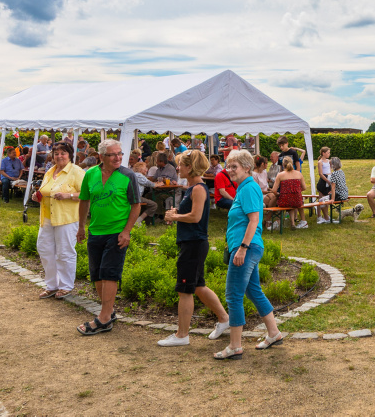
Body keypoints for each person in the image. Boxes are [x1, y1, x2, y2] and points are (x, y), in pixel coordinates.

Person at [158, 150, 232, 347]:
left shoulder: (198, 188)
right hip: (192, 242)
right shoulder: (192, 188)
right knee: (198, 286)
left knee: (185, 289)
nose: (178, 168)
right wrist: (177, 213)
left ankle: (182, 335)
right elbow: (190, 213)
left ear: (190, 167)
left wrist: (175, 217)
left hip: (193, 243)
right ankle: (225, 319)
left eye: (181, 165)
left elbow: (196, 217)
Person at [215, 150, 285, 358]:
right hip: (246, 247)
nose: (229, 170)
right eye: (228, 166)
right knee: (253, 290)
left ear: (247, 167)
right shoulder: (244, 188)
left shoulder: (248, 188)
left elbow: (254, 220)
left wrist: (242, 249)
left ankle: (235, 346)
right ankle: (274, 333)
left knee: (233, 295)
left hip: (246, 248)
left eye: (234, 166)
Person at [75, 139, 141, 336]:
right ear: (101, 157)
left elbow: (136, 205)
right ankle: (109, 312)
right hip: (96, 231)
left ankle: (103, 319)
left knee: (109, 273)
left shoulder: (128, 175)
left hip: (117, 232)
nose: (118, 157)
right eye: (113, 154)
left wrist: (126, 231)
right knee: (96, 275)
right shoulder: (90, 174)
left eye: (120, 153)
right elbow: (84, 200)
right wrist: (81, 227)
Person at [33, 142, 86, 300]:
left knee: (65, 252)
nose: (59, 156)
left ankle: (65, 286)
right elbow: (45, 190)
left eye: (63, 153)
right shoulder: (50, 171)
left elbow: (86, 194)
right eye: (56, 153)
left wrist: (68, 195)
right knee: (45, 249)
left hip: (66, 218)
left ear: (70, 155)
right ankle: (52, 285)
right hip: (48, 216)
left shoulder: (76, 171)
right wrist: (37, 196)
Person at [272, 156, 306, 230]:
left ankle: (278, 222)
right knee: (292, 202)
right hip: (297, 200)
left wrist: (278, 194)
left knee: (283, 201)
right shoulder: (298, 174)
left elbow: (274, 190)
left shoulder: (280, 175)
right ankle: (292, 223)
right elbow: (304, 187)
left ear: (283, 165)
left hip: (284, 200)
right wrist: (296, 191)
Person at [327, 156, 362, 222]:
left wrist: (332, 199)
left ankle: (325, 217)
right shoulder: (341, 172)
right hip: (345, 194)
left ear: (333, 165)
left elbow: (333, 187)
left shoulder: (334, 174)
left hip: (340, 195)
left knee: (323, 199)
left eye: (330, 164)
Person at [315, 147, 333, 224]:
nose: (329, 154)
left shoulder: (329, 161)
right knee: (321, 199)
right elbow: (320, 173)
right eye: (328, 153)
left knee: (326, 199)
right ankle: (319, 216)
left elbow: (330, 170)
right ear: (323, 153)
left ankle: (326, 215)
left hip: (328, 180)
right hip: (323, 182)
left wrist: (331, 179)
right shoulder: (320, 162)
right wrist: (327, 180)